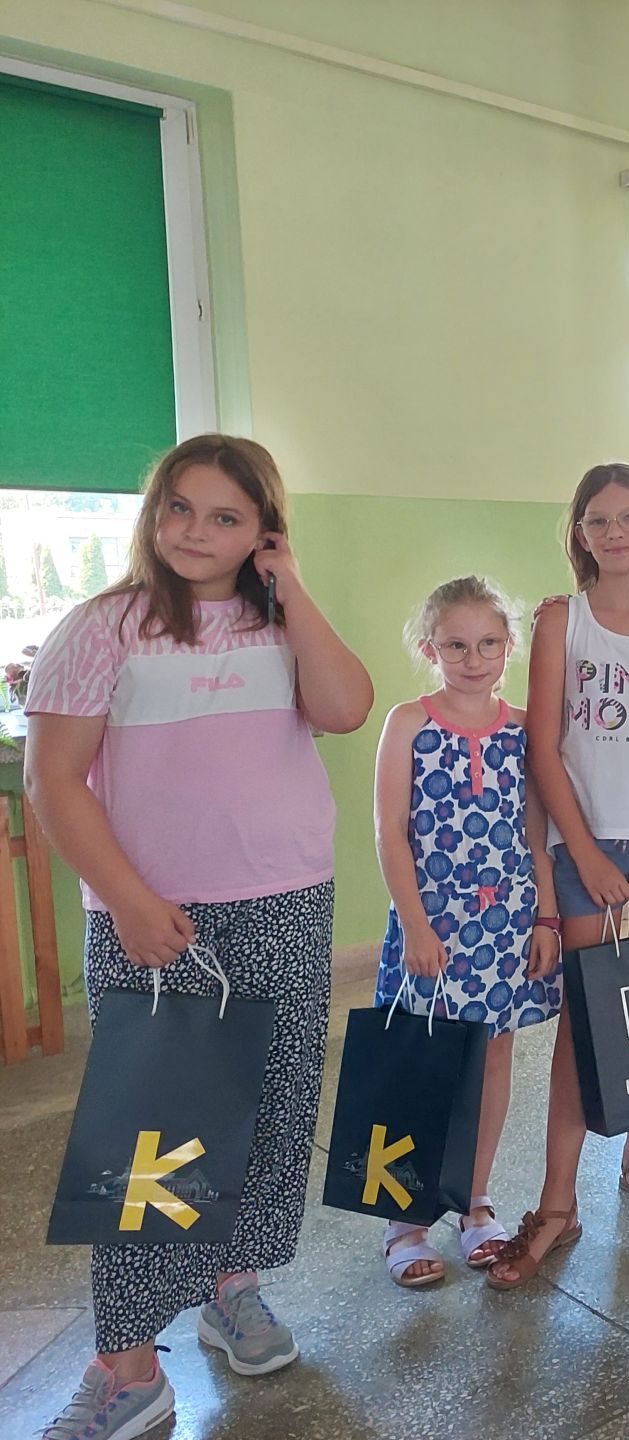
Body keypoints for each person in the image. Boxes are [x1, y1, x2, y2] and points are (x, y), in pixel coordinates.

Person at [27, 435, 372, 1440]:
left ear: (263, 532)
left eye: (225, 517)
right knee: (149, 1147)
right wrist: (128, 900)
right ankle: (130, 1368)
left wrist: (290, 587)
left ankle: (234, 1287)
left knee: (268, 1117)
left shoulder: (282, 622)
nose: (194, 531)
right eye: (179, 507)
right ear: (154, 511)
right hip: (155, 919)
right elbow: (54, 780)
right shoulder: (103, 627)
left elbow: (347, 707)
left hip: (287, 902)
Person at [486, 463, 629, 1289]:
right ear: (580, 535)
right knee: (588, 1024)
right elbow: (544, 747)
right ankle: (557, 1203)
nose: (615, 532)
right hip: (586, 846)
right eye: (598, 520)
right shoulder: (563, 622)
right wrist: (581, 854)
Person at [369, 576, 561, 1286]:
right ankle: (404, 1218)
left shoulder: (523, 729)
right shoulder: (408, 724)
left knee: (493, 1060)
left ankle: (475, 1202)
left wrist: (546, 916)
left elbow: (535, 831)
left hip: (507, 924)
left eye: (487, 644)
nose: (473, 659)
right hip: (433, 926)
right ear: (431, 649)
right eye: (456, 645)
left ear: (509, 646)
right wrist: (415, 925)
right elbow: (390, 831)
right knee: (422, 1065)